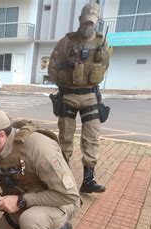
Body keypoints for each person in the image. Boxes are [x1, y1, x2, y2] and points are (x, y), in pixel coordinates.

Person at [48, 3, 110, 194]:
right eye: (85, 22)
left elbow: (104, 65)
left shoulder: (101, 42)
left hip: (90, 96)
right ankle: (63, 179)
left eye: (91, 23)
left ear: (97, 22)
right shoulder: (66, 42)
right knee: (65, 137)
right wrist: (63, 79)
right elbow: (52, 67)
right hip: (68, 95)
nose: (87, 26)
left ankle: (88, 179)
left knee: (91, 138)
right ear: (79, 21)